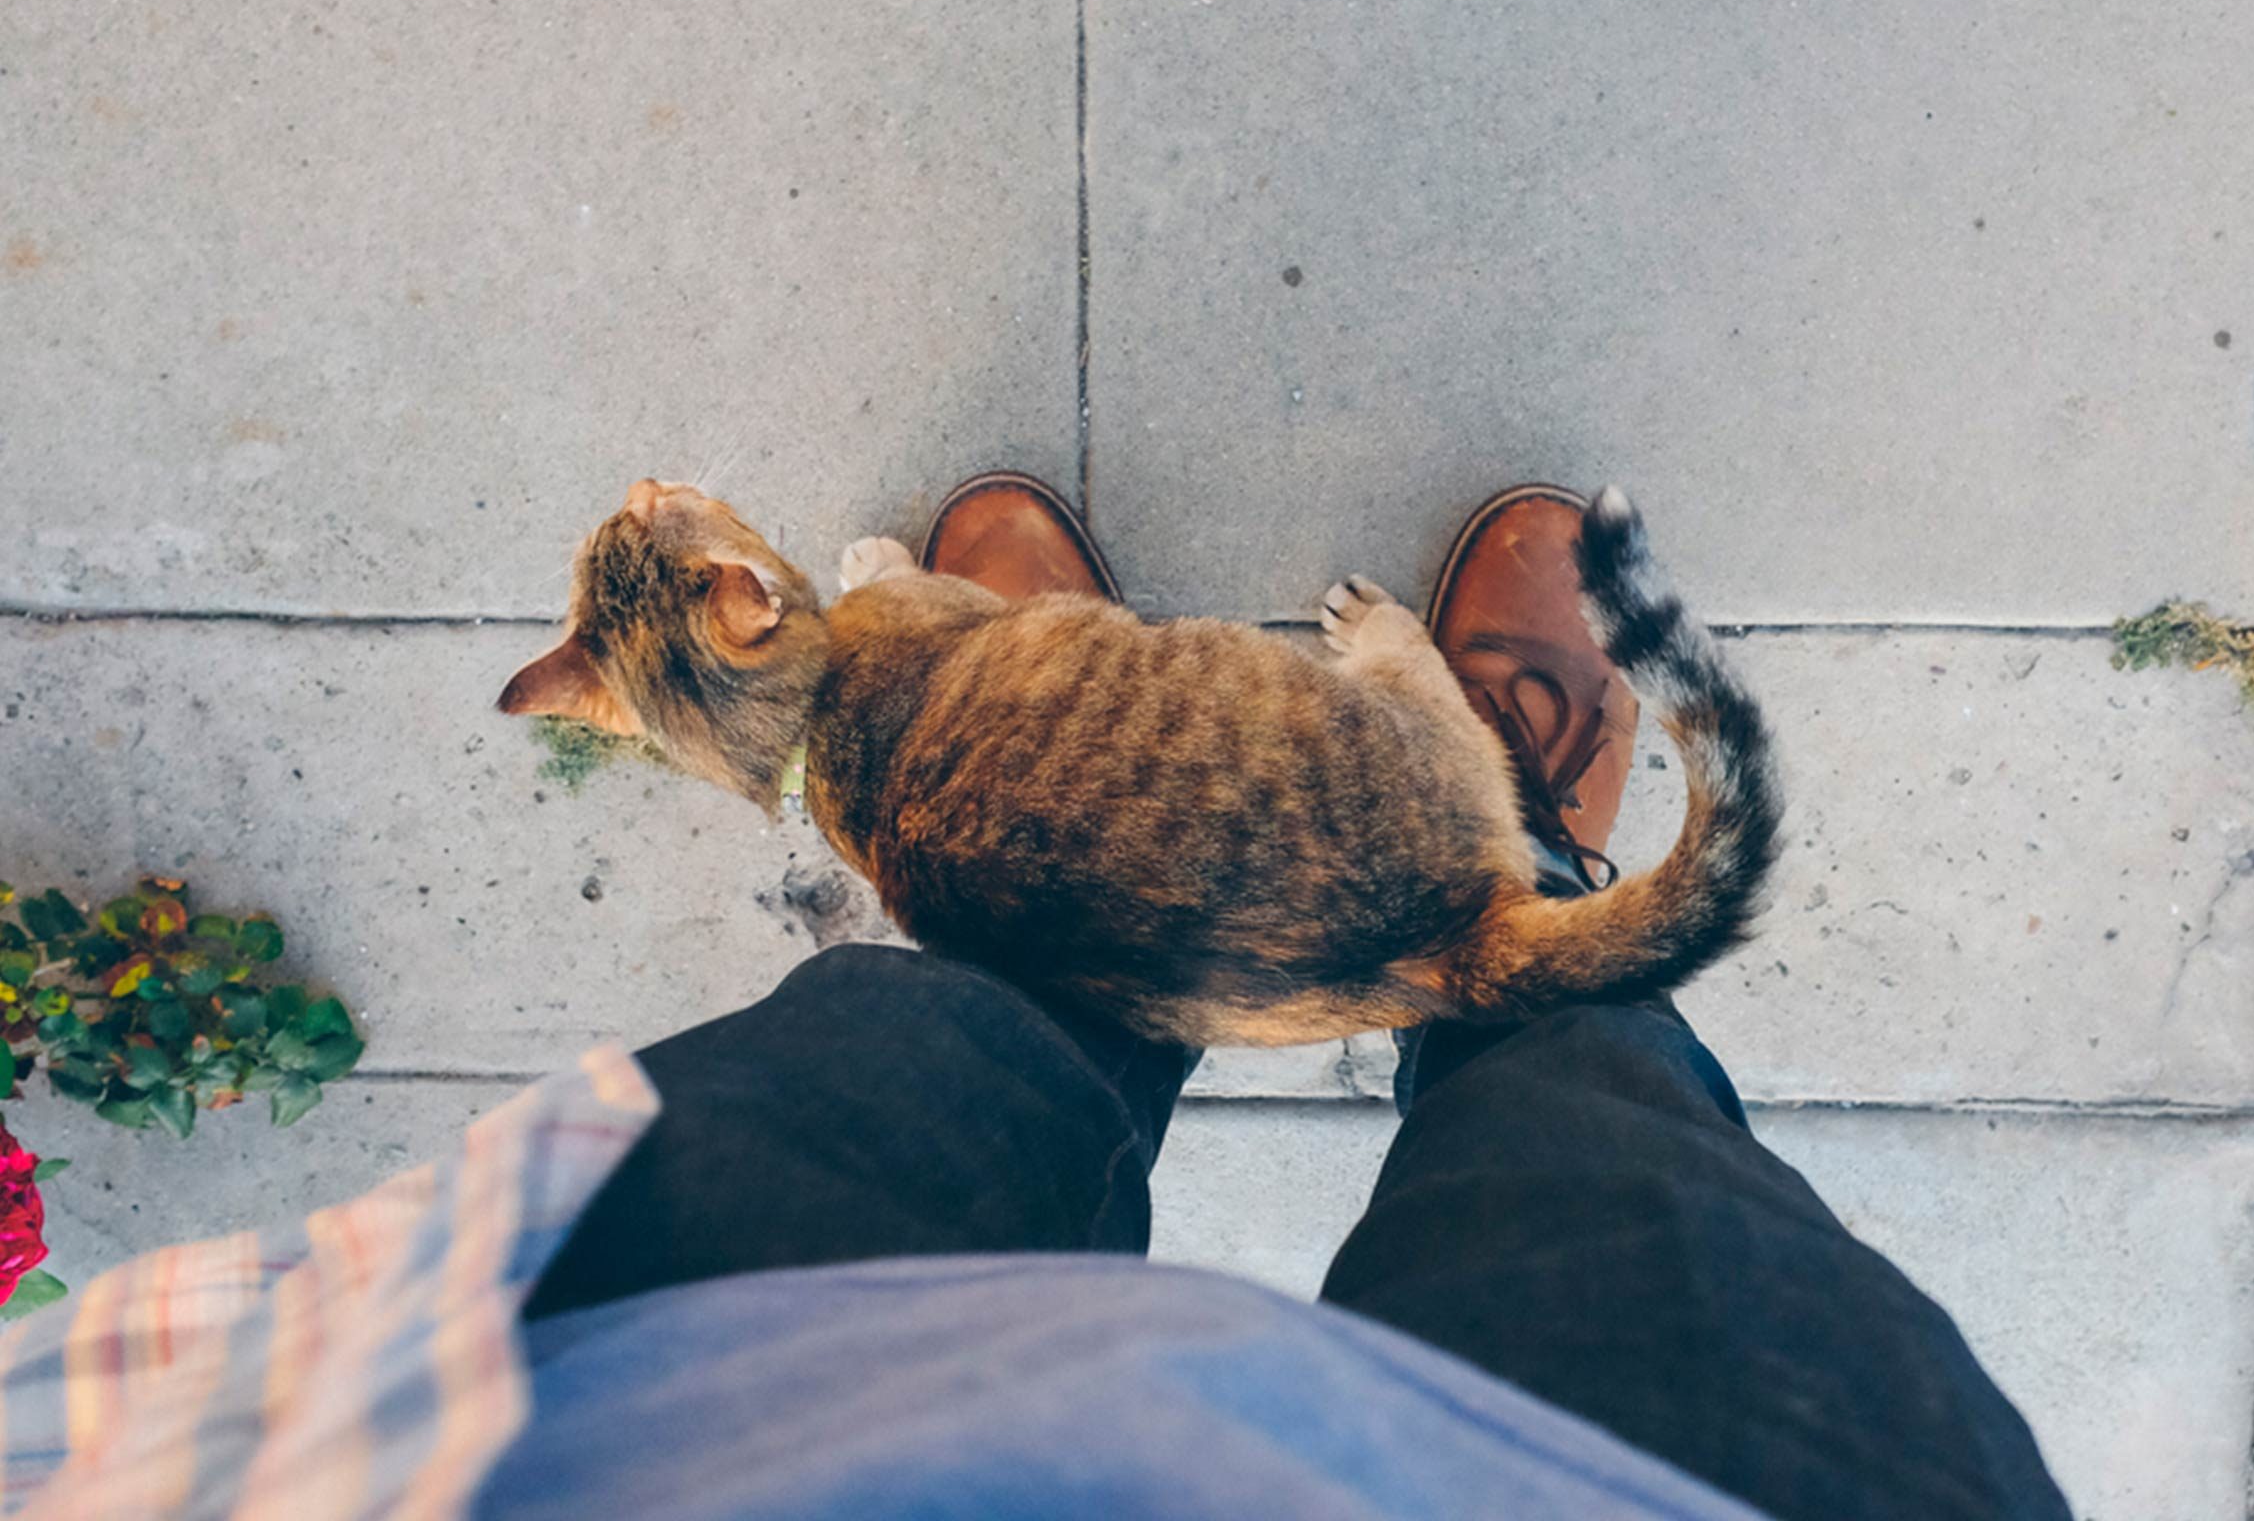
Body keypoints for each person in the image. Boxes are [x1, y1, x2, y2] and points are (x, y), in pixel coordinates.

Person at [0, 477, 2071, 1521]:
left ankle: (1077, 964)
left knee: (935, 1040)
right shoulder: (803, 596)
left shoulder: (700, 692)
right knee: (1618, 1169)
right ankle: (1514, 870)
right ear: (746, 599)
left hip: (522, 1429)